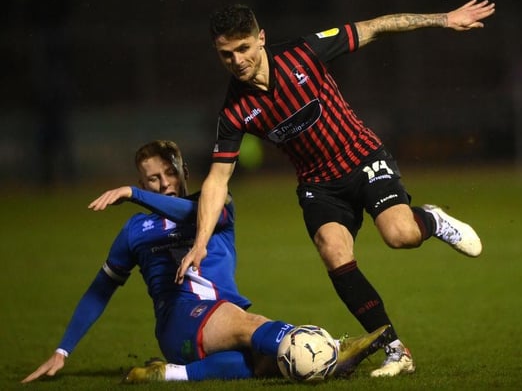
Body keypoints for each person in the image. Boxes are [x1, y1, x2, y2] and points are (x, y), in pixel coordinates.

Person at [176, 0, 495, 377]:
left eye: (243, 48)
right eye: (225, 54)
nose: (237, 60)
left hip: (362, 158)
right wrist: (199, 243)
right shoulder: (233, 111)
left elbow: (375, 26)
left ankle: (431, 220)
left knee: (400, 235)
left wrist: (444, 19)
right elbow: (217, 180)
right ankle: (396, 350)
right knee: (334, 252)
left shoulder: (304, 52)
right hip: (318, 185)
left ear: (261, 38)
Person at [21, 140, 389, 384]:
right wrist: (62, 350)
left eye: (169, 174)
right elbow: (101, 289)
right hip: (184, 318)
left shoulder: (214, 207)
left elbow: (190, 211)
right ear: (142, 181)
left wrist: (133, 194)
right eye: (151, 179)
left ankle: (171, 374)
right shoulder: (135, 230)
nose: (164, 184)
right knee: (252, 326)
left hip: (200, 330)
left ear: (183, 172)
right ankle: (332, 350)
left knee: (264, 364)